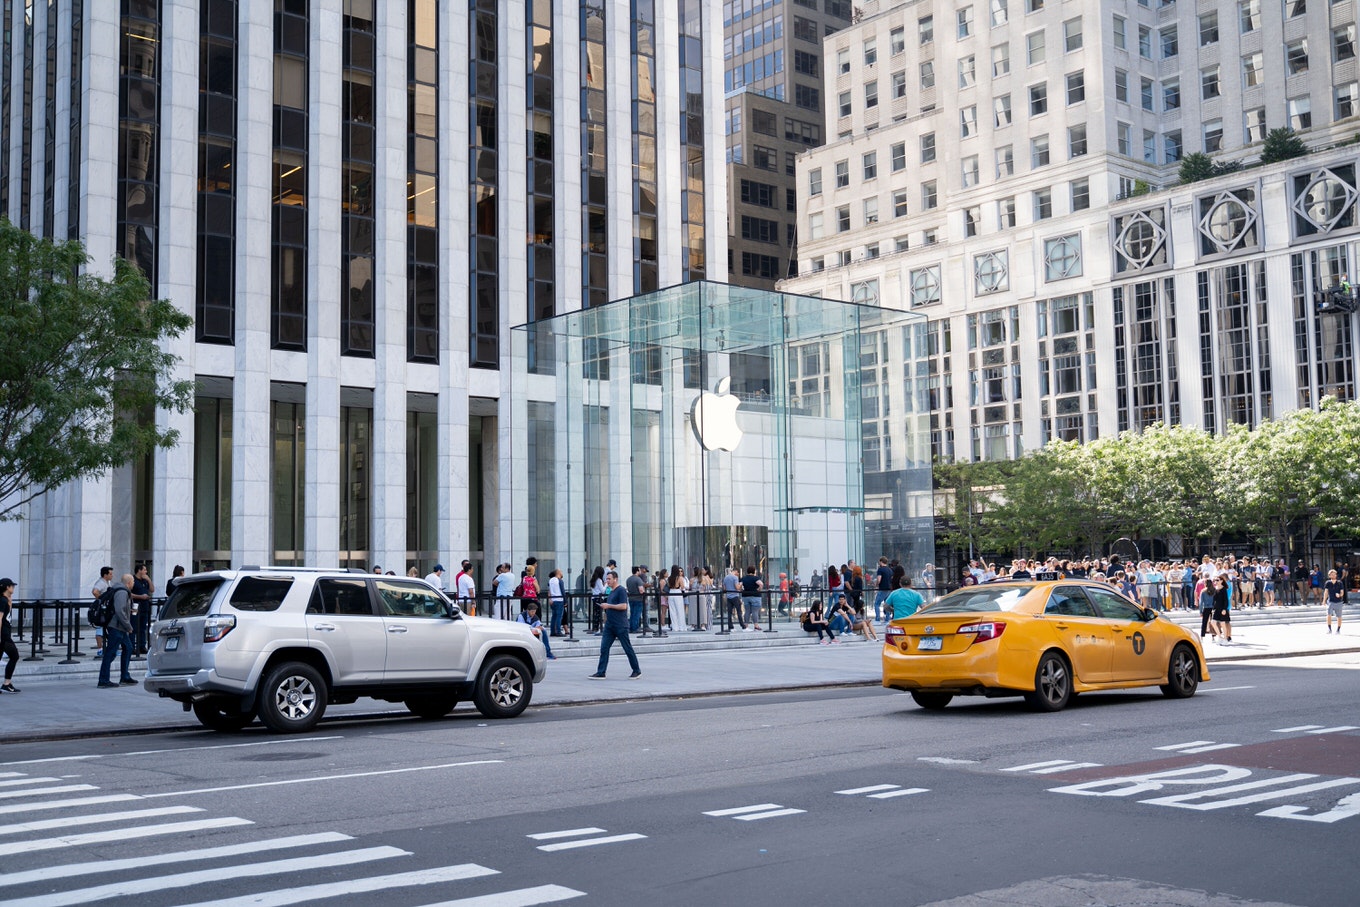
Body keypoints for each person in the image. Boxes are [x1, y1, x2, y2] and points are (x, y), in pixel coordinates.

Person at [589, 571, 641, 679]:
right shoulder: (611, 592)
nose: (607, 581)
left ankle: (636, 670)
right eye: (606, 579)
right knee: (604, 648)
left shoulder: (621, 590)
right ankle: (601, 671)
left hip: (620, 625)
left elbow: (623, 606)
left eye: (609, 579)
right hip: (610, 625)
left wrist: (608, 605)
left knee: (627, 648)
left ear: (615, 579)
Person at [98, 573, 137, 688]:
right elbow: (120, 611)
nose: (134, 583)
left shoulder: (120, 590)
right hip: (116, 626)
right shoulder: (122, 592)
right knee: (111, 653)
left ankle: (125, 676)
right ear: (129, 582)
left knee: (128, 647)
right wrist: (128, 626)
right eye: (133, 581)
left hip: (119, 627)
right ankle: (103, 680)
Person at [0, 577, 19, 692]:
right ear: (7, 587)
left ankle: (7, 684)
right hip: (3, 636)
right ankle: (7, 683)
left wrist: (10, 601)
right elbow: (0, 619)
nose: (13, 587)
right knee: (14, 656)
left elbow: (8, 616)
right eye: (12, 586)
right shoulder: (2, 600)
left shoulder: (5, 600)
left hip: (5, 635)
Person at [130, 564, 154, 655]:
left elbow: (152, 590)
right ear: (139, 570)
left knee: (143, 627)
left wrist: (149, 580)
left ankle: (142, 646)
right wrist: (140, 597)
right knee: (134, 626)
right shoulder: (132, 580)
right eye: (144, 570)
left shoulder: (145, 581)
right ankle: (132, 646)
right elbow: (129, 593)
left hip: (145, 606)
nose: (146, 572)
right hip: (135, 606)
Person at [91, 565, 114, 656]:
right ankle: (100, 649)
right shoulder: (101, 582)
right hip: (102, 610)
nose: (112, 576)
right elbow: (95, 591)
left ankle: (107, 648)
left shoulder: (107, 582)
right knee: (100, 629)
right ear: (105, 575)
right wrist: (101, 600)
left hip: (106, 609)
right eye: (110, 574)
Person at [665, 564, 689, 632]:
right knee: (680, 610)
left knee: (672, 611)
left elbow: (668, 586)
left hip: (671, 592)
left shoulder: (669, 578)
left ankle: (675, 627)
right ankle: (681, 627)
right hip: (677, 592)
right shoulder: (679, 578)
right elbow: (682, 586)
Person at [740, 566, 764, 631]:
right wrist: (759, 589)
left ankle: (746, 625)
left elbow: (740, 586)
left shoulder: (743, 578)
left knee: (747, 611)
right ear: (754, 571)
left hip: (745, 596)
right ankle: (756, 626)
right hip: (755, 596)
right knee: (755, 611)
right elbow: (761, 584)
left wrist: (741, 590)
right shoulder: (755, 578)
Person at [625, 565, 648, 633]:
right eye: (639, 570)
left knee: (632, 613)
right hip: (638, 599)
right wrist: (644, 595)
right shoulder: (638, 579)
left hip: (631, 598)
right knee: (637, 614)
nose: (640, 571)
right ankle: (635, 628)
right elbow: (641, 590)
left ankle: (631, 627)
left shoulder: (628, 579)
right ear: (637, 571)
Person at [1211, 575, 1233, 644]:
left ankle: (1225, 638)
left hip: (1222, 608)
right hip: (1216, 609)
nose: (1216, 582)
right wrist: (1212, 608)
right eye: (1215, 580)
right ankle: (1220, 637)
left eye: (1217, 580)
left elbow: (1226, 600)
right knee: (1213, 622)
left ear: (1221, 581)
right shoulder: (1215, 589)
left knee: (1223, 623)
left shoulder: (1224, 589)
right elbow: (1214, 600)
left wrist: (1224, 609)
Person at [722, 566, 745, 630]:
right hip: (735, 596)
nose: (738, 575)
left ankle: (730, 626)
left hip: (729, 596)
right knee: (739, 611)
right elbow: (737, 588)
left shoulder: (726, 577)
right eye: (738, 573)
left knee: (729, 612)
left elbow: (724, 588)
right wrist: (740, 584)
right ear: (736, 572)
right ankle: (742, 625)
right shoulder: (735, 578)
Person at [1324, 568, 1346, 634]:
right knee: (1328, 615)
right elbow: (1326, 592)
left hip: (1339, 602)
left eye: (1334, 574)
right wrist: (1324, 600)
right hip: (1330, 601)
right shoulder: (1328, 583)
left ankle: (1338, 629)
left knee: (1339, 616)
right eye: (1331, 574)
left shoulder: (1339, 583)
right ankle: (1329, 629)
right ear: (1329, 576)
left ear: (1336, 575)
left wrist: (1339, 595)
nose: (1333, 575)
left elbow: (1342, 592)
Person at [872, 557, 893, 622]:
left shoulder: (880, 570)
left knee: (876, 604)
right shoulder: (890, 570)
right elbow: (891, 578)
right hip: (889, 589)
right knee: (887, 604)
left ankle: (877, 619)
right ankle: (887, 619)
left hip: (882, 588)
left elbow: (879, 580)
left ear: (881, 562)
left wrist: (876, 585)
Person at [547, 568, 566, 636]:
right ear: (558, 573)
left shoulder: (551, 580)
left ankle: (552, 631)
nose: (562, 572)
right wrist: (565, 601)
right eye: (561, 571)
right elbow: (562, 591)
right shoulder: (560, 581)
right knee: (559, 616)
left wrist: (550, 599)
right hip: (559, 600)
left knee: (554, 616)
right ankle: (558, 631)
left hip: (553, 600)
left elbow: (549, 590)